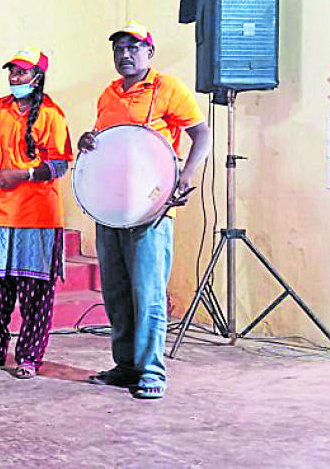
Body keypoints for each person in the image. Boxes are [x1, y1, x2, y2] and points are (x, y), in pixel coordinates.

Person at [78, 21, 212, 400]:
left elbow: (201, 133)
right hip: (110, 208)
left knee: (148, 293)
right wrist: (88, 141)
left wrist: (185, 176)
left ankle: (152, 371)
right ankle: (125, 367)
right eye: (119, 48)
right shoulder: (108, 95)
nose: (124, 55)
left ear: (149, 53)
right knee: (117, 293)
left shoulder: (168, 88)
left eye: (133, 48)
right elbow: (109, 143)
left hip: (151, 208)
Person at [0, 47, 73, 379]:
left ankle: (28, 357)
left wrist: (23, 174)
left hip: (38, 216)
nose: (15, 78)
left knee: (35, 291)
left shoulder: (52, 114)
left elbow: (59, 164)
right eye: (12, 72)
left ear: (37, 77)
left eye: (22, 72)